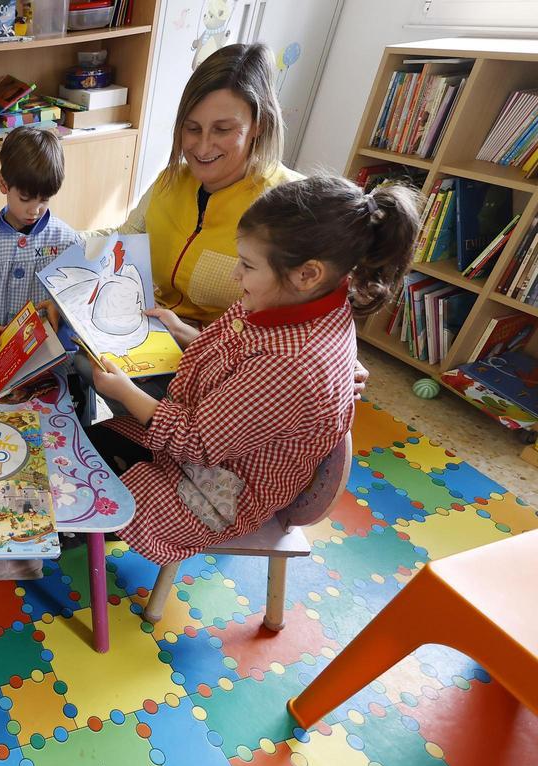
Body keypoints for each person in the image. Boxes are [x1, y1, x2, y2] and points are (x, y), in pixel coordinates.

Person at [85, 175, 419, 564]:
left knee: (80, 490)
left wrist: (124, 391)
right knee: (79, 451)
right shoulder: (284, 298)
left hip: (214, 491)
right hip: (204, 448)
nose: (235, 275)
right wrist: (185, 332)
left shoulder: (292, 363)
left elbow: (197, 442)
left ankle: (91, 532)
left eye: (246, 265)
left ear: (308, 273)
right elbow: (235, 360)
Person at [88, 43, 369, 400]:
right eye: (192, 128)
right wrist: (52, 237)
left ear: (258, 125)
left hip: (230, 375)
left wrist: (345, 358)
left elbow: (326, 306)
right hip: (151, 338)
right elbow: (121, 238)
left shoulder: (292, 206)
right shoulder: (171, 179)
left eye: (222, 129)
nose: (202, 147)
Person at [0, 127, 82, 373]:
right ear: (3, 184)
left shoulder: (67, 240)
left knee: (68, 383)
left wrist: (61, 307)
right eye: (25, 199)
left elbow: (82, 292)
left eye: (44, 200)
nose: (35, 210)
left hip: (53, 347)